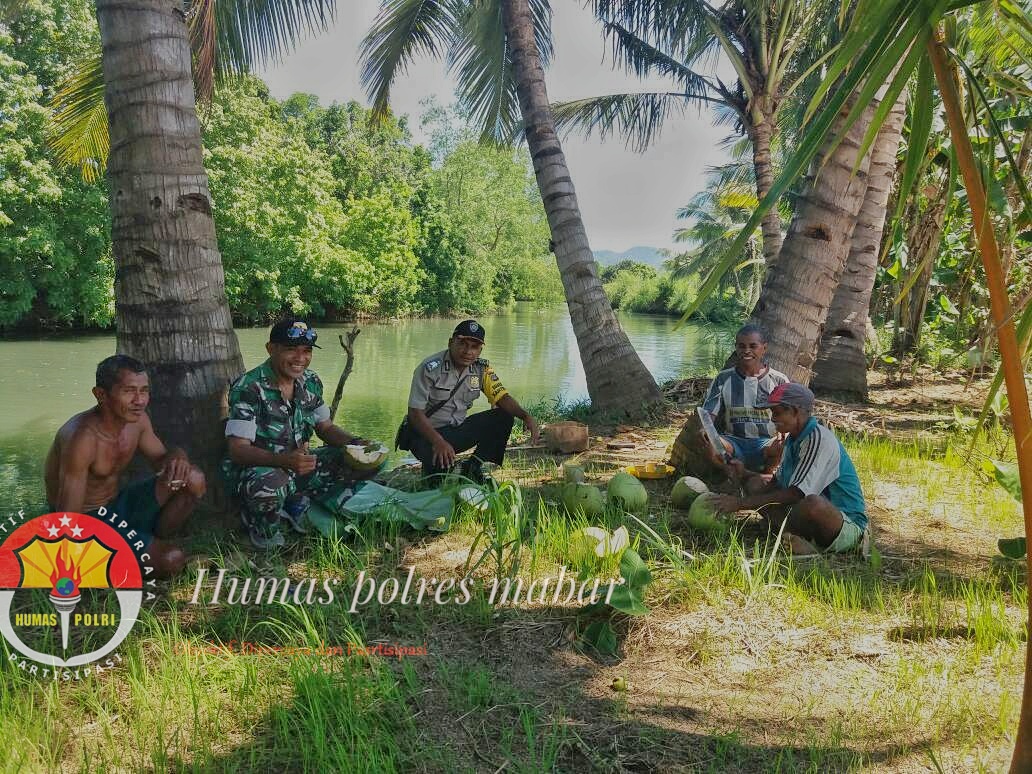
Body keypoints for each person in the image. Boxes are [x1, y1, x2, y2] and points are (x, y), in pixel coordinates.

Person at [223, 318, 379, 548]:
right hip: (263, 471)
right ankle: (262, 526)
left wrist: (356, 442)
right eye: (291, 350)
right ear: (271, 349)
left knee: (371, 459)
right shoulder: (249, 388)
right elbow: (238, 451)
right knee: (271, 486)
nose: (300, 358)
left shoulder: (311, 381)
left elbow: (325, 427)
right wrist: (284, 460)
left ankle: (299, 502)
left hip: (302, 465)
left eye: (306, 351)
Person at [44, 355, 205, 577]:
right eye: (129, 391)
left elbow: (162, 459)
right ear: (101, 395)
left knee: (193, 477)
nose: (139, 400)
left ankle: (151, 539)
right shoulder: (82, 438)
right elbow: (67, 517)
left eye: (144, 390)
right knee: (172, 560)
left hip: (119, 505)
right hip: (88, 521)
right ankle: (128, 553)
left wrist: (179, 456)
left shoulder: (137, 421)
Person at [712, 382, 868, 555]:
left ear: (795, 411)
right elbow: (777, 483)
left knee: (813, 503)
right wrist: (744, 474)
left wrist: (740, 504)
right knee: (754, 484)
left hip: (844, 522)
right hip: (802, 511)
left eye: (777, 413)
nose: (772, 419)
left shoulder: (818, 439)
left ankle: (803, 541)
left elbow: (797, 493)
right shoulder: (792, 440)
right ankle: (792, 534)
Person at [405, 319, 540, 483]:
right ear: (450, 342)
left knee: (503, 417)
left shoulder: (481, 370)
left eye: (474, 347)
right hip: (426, 436)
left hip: (455, 431)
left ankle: (473, 468)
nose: (468, 351)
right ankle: (434, 467)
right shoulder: (429, 369)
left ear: (480, 350)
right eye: (462, 343)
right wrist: (438, 441)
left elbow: (502, 397)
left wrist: (526, 416)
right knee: (437, 484)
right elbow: (415, 413)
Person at [700, 324, 789, 473]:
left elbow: (789, 413)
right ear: (736, 347)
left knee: (784, 444)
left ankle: (766, 476)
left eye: (753, 346)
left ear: (764, 348)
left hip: (766, 442)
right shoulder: (723, 378)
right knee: (711, 443)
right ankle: (733, 475)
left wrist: (785, 434)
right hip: (733, 442)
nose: (747, 351)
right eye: (741, 346)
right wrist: (705, 429)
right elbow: (709, 412)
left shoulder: (779, 380)